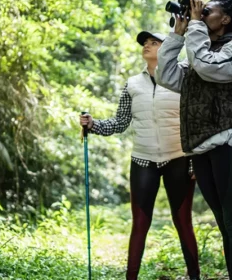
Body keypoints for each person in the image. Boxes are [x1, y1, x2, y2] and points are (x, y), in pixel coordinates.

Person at [156, 0, 232, 280]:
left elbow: (208, 67)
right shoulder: (200, 47)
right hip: (200, 147)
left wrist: (195, 27)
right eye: (200, 12)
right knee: (222, 222)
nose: (201, 15)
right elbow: (166, 75)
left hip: (228, 143)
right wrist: (177, 36)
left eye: (207, 11)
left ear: (227, 19)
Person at [79, 31, 200, 280]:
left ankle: (195, 277)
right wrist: (93, 125)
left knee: (183, 222)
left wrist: (199, 156)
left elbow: (196, 118)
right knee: (140, 224)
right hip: (143, 160)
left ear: (168, 48)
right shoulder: (133, 83)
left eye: (153, 42)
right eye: (145, 43)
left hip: (179, 157)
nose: (146, 45)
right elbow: (121, 122)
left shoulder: (185, 77)